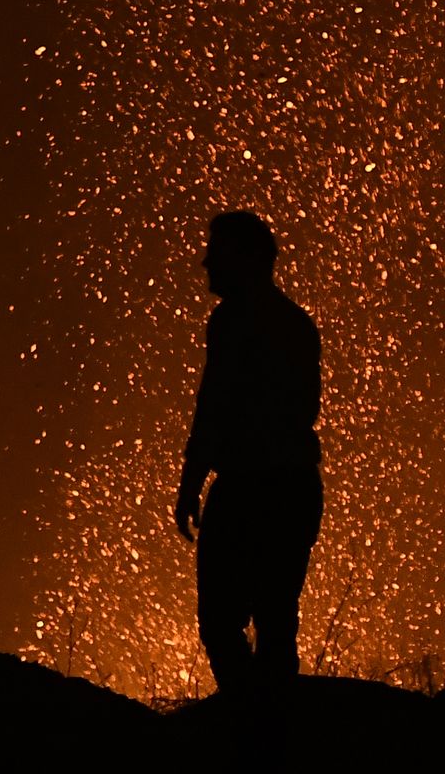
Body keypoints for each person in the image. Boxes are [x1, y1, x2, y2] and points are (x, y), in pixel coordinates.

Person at [174, 211, 324, 692]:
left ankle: (247, 725)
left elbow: (213, 405)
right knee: (277, 622)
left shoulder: (232, 321)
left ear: (246, 257)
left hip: (248, 489)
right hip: (295, 487)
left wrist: (191, 484)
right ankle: (273, 728)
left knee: (220, 619)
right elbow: (304, 409)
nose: (205, 262)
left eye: (216, 251)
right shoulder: (297, 324)